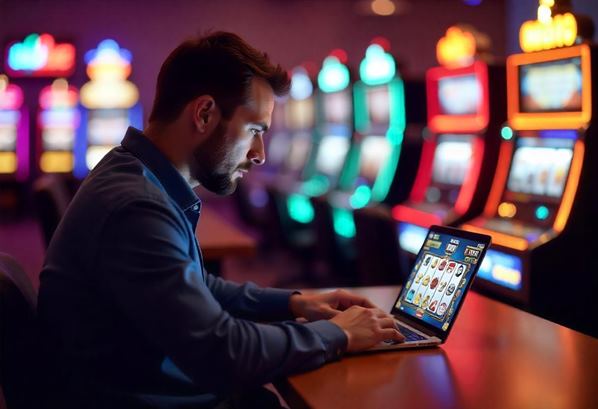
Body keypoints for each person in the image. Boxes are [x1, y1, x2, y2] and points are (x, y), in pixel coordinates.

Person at [37, 31, 404, 409]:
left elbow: (196, 285)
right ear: (205, 113)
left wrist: (298, 302)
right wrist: (337, 334)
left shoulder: (136, 176)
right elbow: (225, 352)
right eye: (254, 131)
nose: (260, 153)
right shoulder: (135, 206)